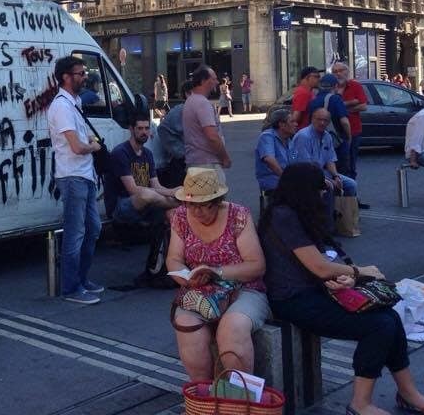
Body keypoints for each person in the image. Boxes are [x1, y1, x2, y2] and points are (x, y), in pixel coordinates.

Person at [258, 162, 424, 415]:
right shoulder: (284, 216)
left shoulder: (295, 212)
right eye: (320, 190)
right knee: (378, 326)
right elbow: (319, 267)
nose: (323, 195)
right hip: (292, 300)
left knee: (390, 317)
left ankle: (408, 393)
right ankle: (360, 404)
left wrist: (344, 278)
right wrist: (360, 272)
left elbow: (324, 262)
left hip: (314, 290)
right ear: (305, 191)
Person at [166, 167, 270, 380]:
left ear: (218, 200)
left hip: (244, 288)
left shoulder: (238, 215)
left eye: (204, 206)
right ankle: (204, 397)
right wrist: (186, 276)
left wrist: (217, 272)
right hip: (201, 291)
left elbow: (256, 265)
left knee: (232, 329)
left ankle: (238, 402)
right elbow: (173, 258)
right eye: (191, 205)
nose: (197, 212)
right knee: (186, 325)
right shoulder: (180, 216)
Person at [47, 55, 105, 305]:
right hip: (72, 176)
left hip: (85, 175)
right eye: (80, 73)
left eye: (84, 72)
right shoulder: (61, 106)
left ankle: (81, 279)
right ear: (65, 77)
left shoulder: (75, 101)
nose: (85, 77)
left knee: (93, 228)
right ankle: (71, 288)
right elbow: (76, 146)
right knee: (75, 232)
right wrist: (94, 146)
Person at [108, 115, 179, 289]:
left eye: (147, 128)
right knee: (148, 195)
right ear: (131, 129)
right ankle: (181, 202)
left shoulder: (147, 154)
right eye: (139, 128)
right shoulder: (120, 152)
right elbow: (133, 190)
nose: (144, 132)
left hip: (148, 203)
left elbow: (156, 185)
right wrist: (172, 193)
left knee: (171, 213)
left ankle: (165, 267)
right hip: (124, 206)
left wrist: (172, 192)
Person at [182, 67, 232, 179]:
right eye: (214, 79)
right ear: (204, 81)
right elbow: (212, 136)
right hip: (207, 166)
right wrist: (225, 157)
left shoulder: (190, 101)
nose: (217, 82)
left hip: (195, 163)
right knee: (216, 196)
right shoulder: (202, 103)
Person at [309, 73, 353, 180]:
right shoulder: (335, 99)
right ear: (335, 86)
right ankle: (343, 195)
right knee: (342, 172)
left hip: (318, 141)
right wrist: (349, 136)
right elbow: (344, 122)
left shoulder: (313, 101)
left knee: (324, 173)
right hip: (337, 141)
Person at [330, 62, 368, 181]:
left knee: (350, 164)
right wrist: (353, 102)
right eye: (335, 71)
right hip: (333, 132)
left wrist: (341, 107)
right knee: (334, 164)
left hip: (353, 130)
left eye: (341, 70)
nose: (338, 74)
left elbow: (363, 106)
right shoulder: (330, 87)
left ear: (347, 72)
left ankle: (351, 196)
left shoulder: (355, 86)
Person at [157, 80, 194, 189]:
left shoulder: (199, 108)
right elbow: (162, 129)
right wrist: (179, 151)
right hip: (184, 162)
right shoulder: (180, 110)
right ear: (188, 93)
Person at [255, 108, 297, 194]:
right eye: (292, 122)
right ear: (281, 124)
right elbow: (269, 160)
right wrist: (287, 178)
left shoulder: (289, 139)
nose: (296, 124)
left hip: (288, 177)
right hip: (272, 179)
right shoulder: (267, 136)